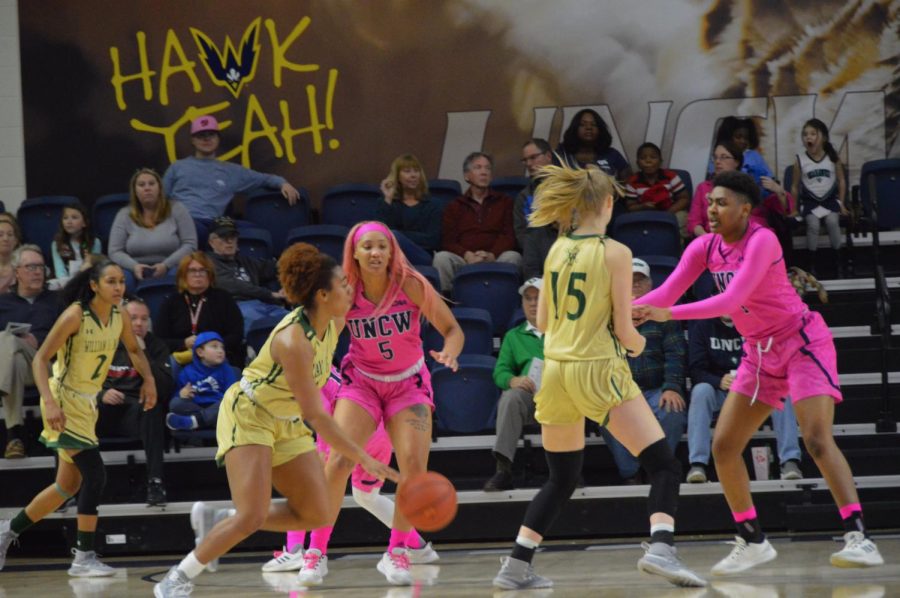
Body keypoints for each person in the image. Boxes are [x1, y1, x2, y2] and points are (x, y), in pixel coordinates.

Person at [633, 170, 883, 574]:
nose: (712, 210)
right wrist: (631, 309)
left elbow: (732, 298)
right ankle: (751, 540)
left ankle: (859, 537)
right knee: (724, 447)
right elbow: (667, 292)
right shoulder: (703, 247)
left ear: (745, 208)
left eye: (722, 203)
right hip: (758, 354)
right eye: (710, 202)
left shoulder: (762, 239)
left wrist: (669, 314)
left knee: (817, 440)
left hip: (800, 342)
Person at [492, 164, 705, 590]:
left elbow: (548, 321)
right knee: (663, 465)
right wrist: (639, 343)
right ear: (608, 203)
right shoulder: (617, 252)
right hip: (598, 369)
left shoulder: (556, 249)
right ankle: (662, 547)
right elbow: (627, 335)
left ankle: (516, 564)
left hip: (555, 371)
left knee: (562, 477)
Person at [153, 243, 398, 597]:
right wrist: (363, 457)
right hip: (250, 414)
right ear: (322, 294)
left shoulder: (335, 317)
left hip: (286, 419)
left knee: (317, 513)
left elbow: (362, 276)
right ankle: (176, 578)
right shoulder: (293, 340)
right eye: (343, 285)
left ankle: (222, 520)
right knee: (251, 517)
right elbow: (316, 414)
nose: (350, 290)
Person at [314, 221, 463, 586]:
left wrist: (450, 352)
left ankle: (396, 552)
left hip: (407, 385)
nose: (376, 253)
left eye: (382, 246)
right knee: (338, 461)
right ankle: (315, 553)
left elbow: (453, 330)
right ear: (355, 253)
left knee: (413, 468)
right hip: (361, 383)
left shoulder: (410, 284)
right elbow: (321, 337)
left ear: (392, 251)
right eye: (368, 247)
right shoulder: (344, 292)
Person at [0, 259, 156, 576]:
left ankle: (7, 531)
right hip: (63, 400)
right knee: (95, 475)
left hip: (86, 404)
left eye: (121, 282)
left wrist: (149, 380)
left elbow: (135, 350)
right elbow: (41, 358)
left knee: (66, 485)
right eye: (111, 281)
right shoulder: (75, 315)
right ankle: (84, 557)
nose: (118, 287)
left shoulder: (120, 315)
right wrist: (49, 401)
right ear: (94, 285)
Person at [262, 367, 439, 580]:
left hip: (352, 430)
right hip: (375, 433)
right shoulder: (319, 370)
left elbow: (329, 416)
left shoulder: (311, 374)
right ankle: (418, 547)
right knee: (366, 496)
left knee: (307, 487)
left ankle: (295, 551)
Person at [600, 258, 687, 485]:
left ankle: (659, 469)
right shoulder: (607, 320)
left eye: (640, 281)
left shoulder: (663, 316)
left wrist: (672, 387)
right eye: (630, 282)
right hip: (622, 392)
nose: (635, 286)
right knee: (603, 410)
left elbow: (675, 354)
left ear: (650, 285)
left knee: (673, 408)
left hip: (657, 389)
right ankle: (631, 472)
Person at [685, 314, 801, 483]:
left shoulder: (756, 324)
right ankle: (698, 464)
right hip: (722, 391)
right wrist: (718, 381)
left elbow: (773, 361)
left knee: (782, 392)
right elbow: (696, 370)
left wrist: (754, 378)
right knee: (701, 391)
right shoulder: (703, 327)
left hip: (754, 390)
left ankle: (790, 460)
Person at [96, 297, 174, 505]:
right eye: (133, 318)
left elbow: (165, 389)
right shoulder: (102, 344)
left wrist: (142, 353)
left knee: (152, 407)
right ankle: (72, 489)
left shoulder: (155, 346)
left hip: (136, 415)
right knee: (74, 411)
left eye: (144, 319)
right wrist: (101, 394)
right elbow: (80, 382)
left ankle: (155, 482)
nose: (139, 324)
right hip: (102, 412)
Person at [162, 115, 301, 222]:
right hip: (176, 224)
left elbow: (265, 179)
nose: (206, 139)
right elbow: (159, 198)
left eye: (211, 134)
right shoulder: (177, 167)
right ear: (193, 140)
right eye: (201, 135)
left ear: (218, 138)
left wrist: (283, 183)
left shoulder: (231, 171)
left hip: (207, 225)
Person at [483, 277, 545, 491]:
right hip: (530, 397)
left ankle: (570, 471)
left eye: (538, 298)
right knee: (510, 397)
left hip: (560, 393)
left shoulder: (564, 331)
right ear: (522, 304)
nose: (533, 303)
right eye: (528, 299)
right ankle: (503, 469)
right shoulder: (513, 336)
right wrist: (513, 380)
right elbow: (500, 372)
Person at [0, 245, 62, 459]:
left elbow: (70, 338)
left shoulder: (57, 301)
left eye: (40, 267)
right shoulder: (3, 303)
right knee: (9, 349)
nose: (37, 272)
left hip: (48, 366)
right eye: (30, 267)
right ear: (17, 272)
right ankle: (14, 437)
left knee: (5, 339)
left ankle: (12, 433)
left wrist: (40, 342)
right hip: (17, 368)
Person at [433, 152, 521, 293]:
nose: (484, 172)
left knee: (513, 257)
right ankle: (448, 304)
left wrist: (492, 254)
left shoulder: (505, 202)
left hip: (496, 257)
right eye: (478, 168)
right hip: (465, 259)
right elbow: (448, 241)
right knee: (441, 258)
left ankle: (507, 298)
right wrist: (467, 255)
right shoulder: (454, 206)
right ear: (467, 176)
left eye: (487, 168)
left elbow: (509, 235)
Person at [687, 143, 794, 244]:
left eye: (724, 157)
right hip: (715, 239)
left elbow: (785, 211)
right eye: (715, 157)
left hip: (753, 239)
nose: (717, 161)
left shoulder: (749, 185)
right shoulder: (703, 188)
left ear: (737, 162)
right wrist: (708, 239)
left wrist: (779, 191)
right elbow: (694, 222)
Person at [108, 168, 198, 283]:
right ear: (135, 191)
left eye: (151, 184)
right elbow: (114, 251)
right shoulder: (124, 214)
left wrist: (166, 265)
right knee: (122, 279)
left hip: (171, 266)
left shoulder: (177, 209)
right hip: (133, 268)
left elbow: (190, 244)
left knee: (177, 274)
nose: (147, 188)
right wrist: (134, 267)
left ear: (160, 188)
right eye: (141, 185)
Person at [155, 252, 244, 367]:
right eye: (192, 270)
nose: (198, 274)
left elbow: (237, 334)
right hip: (183, 356)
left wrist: (212, 346)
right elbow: (159, 340)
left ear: (210, 275)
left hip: (217, 357)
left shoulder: (224, 298)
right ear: (183, 275)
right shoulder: (171, 302)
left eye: (203, 270)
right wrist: (183, 343)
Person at [205, 217, 288, 335]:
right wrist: (270, 293)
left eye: (232, 236)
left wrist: (291, 283)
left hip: (264, 305)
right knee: (261, 327)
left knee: (294, 322)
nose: (229, 241)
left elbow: (275, 267)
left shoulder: (246, 261)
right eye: (224, 237)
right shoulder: (207, 262)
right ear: (211, 242)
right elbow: (232, 285)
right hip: (235, 306)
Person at [790, 118, 848, 277]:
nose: (808, 137)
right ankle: (811, 263)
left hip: (829, 201)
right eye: (805, 134)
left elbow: (842, 180)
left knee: (832, 222)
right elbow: (795, 186)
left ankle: (838, 259)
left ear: (823, 137)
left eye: (813, 134)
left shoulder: (832, 158)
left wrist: (842, 204)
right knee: (813, 225)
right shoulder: (800, 160)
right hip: (810, 202)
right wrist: (794, 208)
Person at [376, 153, 443, 264]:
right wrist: (388, 198)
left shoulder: (434, 204)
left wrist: (400, 235)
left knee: (394, 235)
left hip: (421, 256)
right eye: (407, 171)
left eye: (416, 171)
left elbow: (432, 240)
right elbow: (380, 234)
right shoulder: (386, 202)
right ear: (397, 176)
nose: (413, 175)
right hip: (392, 255)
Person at [166, 331, 237, 431]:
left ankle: (194, 421)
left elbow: (232, 395)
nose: (220, 351)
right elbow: (177, 395)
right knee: (175, 403)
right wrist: (181, 394)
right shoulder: (187, 372)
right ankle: (208, 421)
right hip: (196, 406)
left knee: (229, 403)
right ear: (200, 352)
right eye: (214, 346)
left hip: (217, 405)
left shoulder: (227, 370)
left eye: (222, 347)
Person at [624, 143, 690, 236]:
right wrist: (643, 207)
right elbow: (630, 207)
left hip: (670, 212)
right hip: (644, 215)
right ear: (637, 163)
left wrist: (668, 213)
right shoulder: (633, 182)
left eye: (653, 157)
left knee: (683, 217)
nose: (648, 161)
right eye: (643, 158)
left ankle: (678, 248)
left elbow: (684, 199)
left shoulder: (670, 176)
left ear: (660, 161)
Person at [514, 139, 557, 279]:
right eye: (525, 160)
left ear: (548, 156)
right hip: (535, 259)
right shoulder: (524, 196)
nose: (529, 164)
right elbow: (520, 232)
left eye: (533, 158)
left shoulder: (571, 189)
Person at [557, 109, 630, 180]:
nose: (589, 127)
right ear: (575, 128)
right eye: (582, 124)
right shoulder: (561, 154)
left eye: (594, 124)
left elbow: (627, 185)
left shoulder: (612, 154)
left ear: (600, 129)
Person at [707, 117, 773, 187]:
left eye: (746, 138)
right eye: (738, 137)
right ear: (728, 137)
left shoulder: (754, 156)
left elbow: (769, 178)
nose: (743, 141)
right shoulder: (716, 156)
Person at [50, 202, 102, 284]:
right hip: (65, 283)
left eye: (74, 217)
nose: (69, 221)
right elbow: (60, 271)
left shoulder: (94, 242)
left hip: (87, 281)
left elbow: (95, 268)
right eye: (65, 218)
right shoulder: (56, 244)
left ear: (84, 223)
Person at [0, 213, 23, 294]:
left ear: (16, 240)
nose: (5, 238)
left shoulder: (23, 266)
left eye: (10, 235)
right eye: (0, 235)